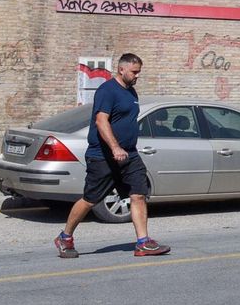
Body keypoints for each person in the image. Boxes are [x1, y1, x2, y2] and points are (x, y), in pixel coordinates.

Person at [52, 53, 170, 258]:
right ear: (121, 69)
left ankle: (143, 242)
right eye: (134, 72)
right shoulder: (107, 91)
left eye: (139, 72)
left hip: (129, 155)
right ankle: (65, 237)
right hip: (103, 156)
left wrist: (125, 148)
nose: (137, 76)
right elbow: (101, 121)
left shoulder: (131, 92)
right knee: (90, 200)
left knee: (138, 194)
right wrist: (115, 147)